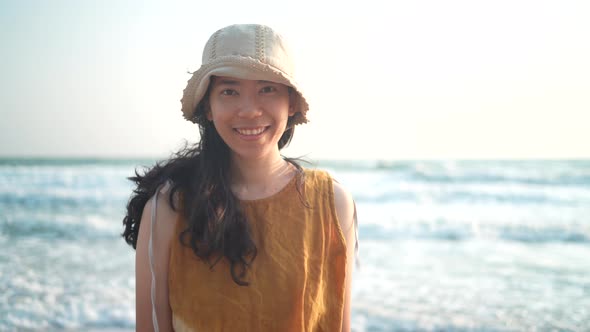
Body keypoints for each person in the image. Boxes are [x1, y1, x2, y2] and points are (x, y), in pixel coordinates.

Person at [122, 23, 358, 332]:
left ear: (291, 103)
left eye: (267, 89)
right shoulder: (169, 206)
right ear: (208, 106)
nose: (249, 110)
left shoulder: (331, 202)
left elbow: (337, 323)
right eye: (230, 91)